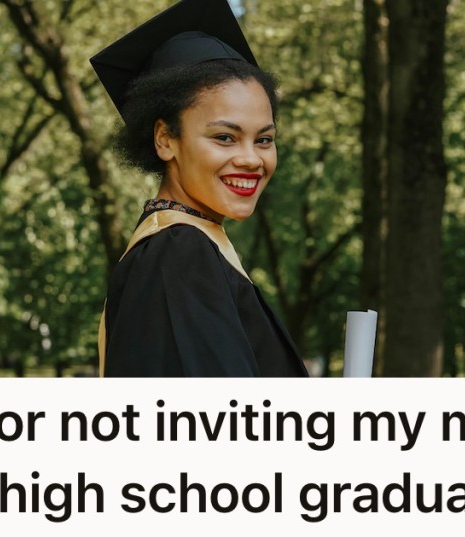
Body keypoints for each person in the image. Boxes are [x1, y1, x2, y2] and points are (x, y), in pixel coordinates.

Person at [91, 0, 308, 377]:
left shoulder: (188, 246)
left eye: (264, 139)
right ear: (165, 140)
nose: (251, 159)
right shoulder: (178, 253)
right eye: (225, 137)